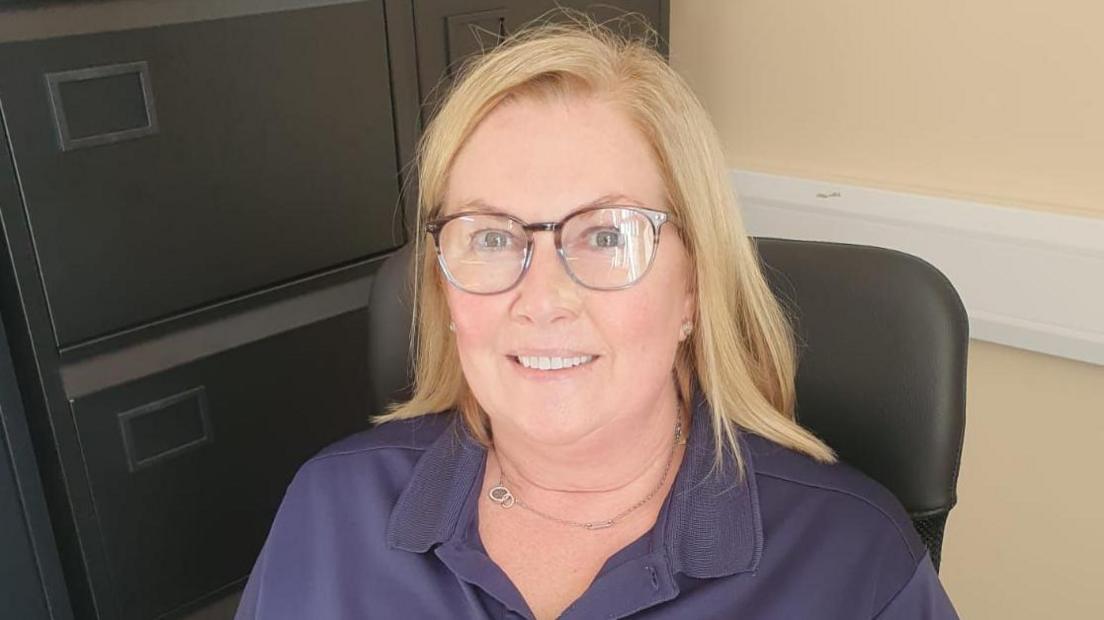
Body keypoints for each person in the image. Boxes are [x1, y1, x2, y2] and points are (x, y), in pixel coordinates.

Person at [235, 15, 958, 620]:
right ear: (444, 294)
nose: (543, 298)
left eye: (608, 235)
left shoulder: (856, 569)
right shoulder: (328, 514)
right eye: (491, 237)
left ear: (694, 286)